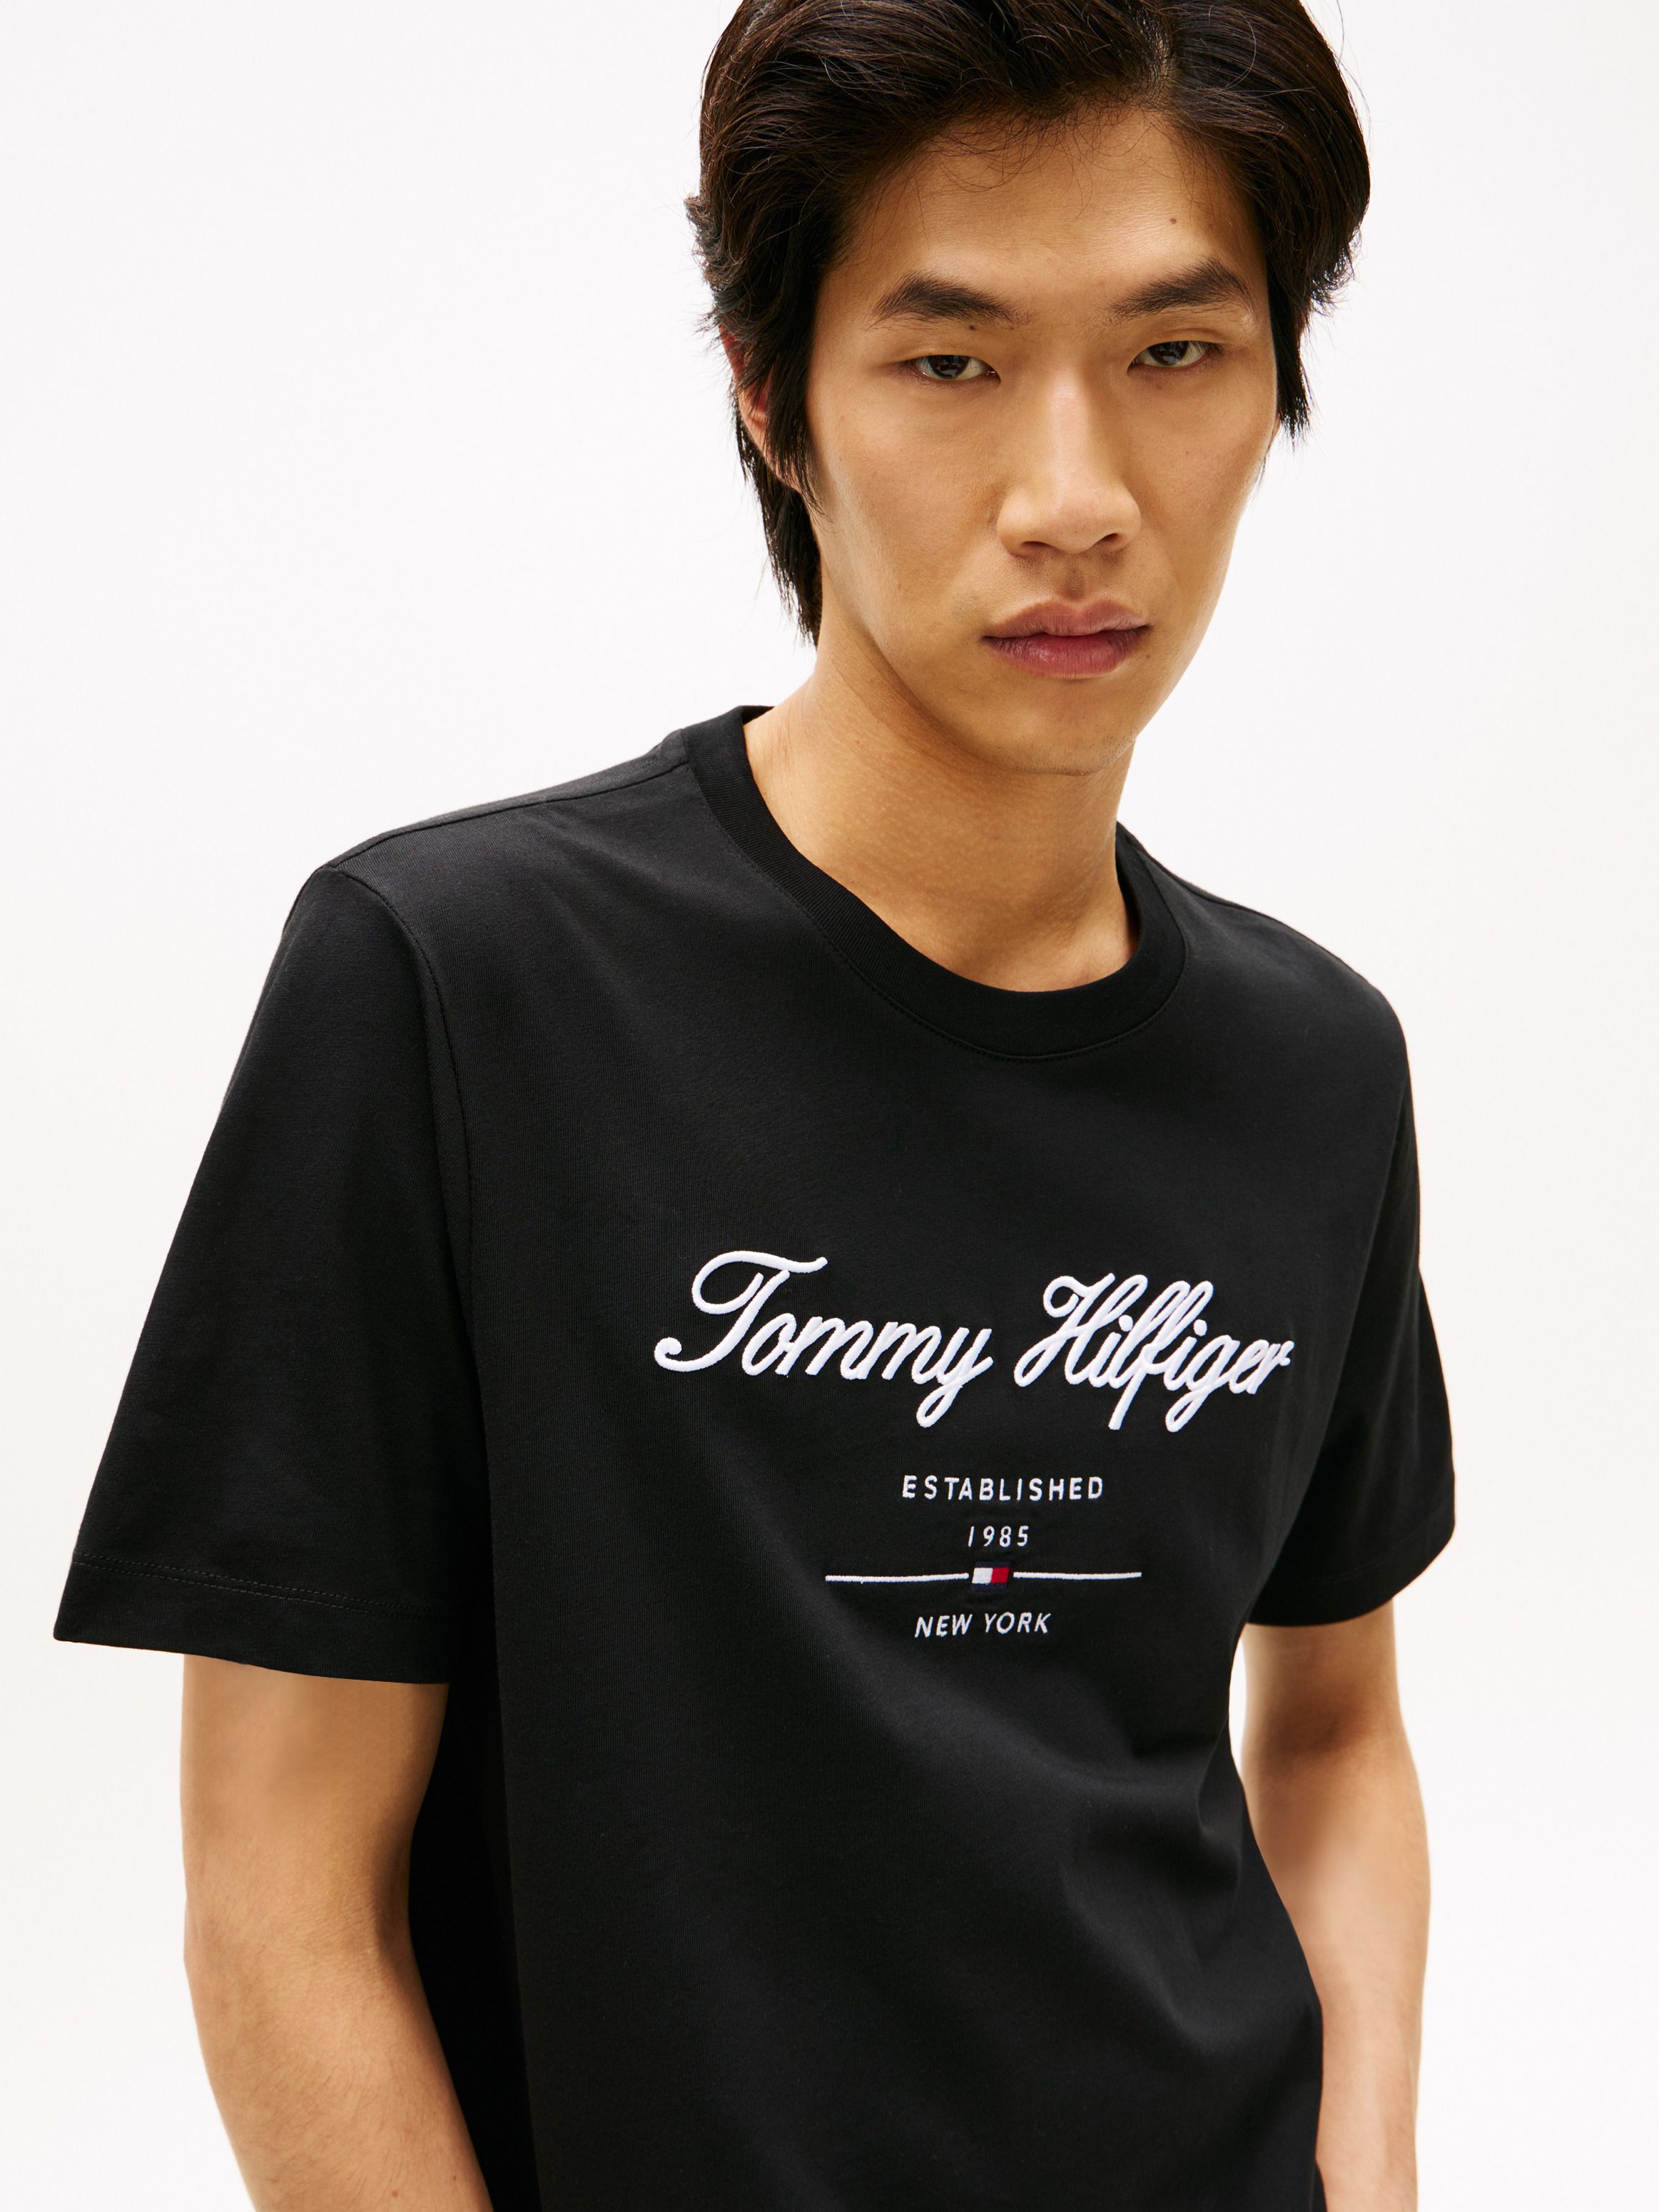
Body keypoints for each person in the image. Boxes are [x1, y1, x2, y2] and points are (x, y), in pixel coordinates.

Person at [54, 3, 1456, 2206]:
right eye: (951, 360)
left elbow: (1339, 1735)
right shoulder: (458, 987)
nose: (1075, 498)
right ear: (769, 393)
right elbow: (280, 1890)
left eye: (1175, 353)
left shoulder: (1316, 1064)